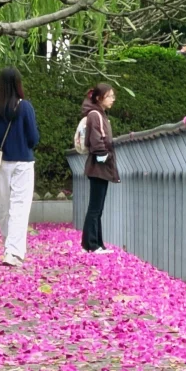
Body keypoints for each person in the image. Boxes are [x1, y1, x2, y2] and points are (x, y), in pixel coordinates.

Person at [0, 67, 40, 267]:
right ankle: (13, 251)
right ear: (18, 84)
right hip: (23, 161)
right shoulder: (25, 107)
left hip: (1, 162)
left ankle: (8, 244)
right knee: (20, 206)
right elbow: (33, 138)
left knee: (5, 204)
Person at [80, 82, 119, 253]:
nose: (112, 99)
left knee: (96, 207)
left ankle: (92, 243)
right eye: (109, 96)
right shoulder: (95, 115)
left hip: (99, 166)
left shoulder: (98, 114)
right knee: (96, 207)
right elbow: (96, 140)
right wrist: (105, 154)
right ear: (98, 98)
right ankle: (93, 244)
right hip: (99, 166)